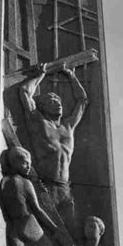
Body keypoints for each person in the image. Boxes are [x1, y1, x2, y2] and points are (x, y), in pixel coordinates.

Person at [19, 62, 88, 234]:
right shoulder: (37, 121)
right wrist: (40, 75)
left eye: (58, 100)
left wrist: (71, 76)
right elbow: (24, 92)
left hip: (65, 189)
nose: (58, 103)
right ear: (42, 107)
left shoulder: (68, 126)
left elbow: (82, 100)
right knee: (48, 235)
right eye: (51, 101)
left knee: (72, 239)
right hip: (45, 187)